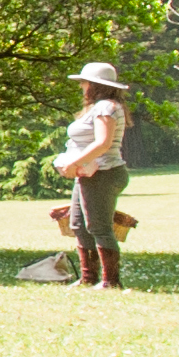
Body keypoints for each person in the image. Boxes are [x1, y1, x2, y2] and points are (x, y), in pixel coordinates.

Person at [55, 59, 134, 289]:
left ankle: (111, 281)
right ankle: (88, 278)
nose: (82, 87)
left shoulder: (106, 108)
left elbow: (102, 143)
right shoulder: (98, 108)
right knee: (78, 223)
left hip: (104, 173)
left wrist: (74, 163)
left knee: (99, 226)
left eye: (84, 83)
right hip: (90, 173)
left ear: (94, 85)